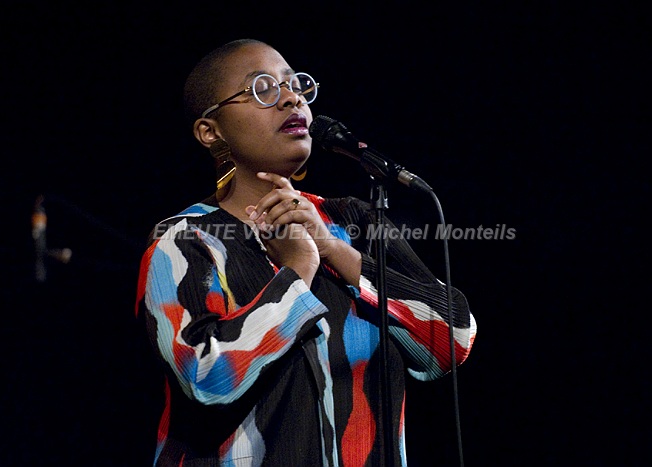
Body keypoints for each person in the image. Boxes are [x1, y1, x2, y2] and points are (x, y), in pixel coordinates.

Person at [134, 38, 477, 466]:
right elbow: (206, 378)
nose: (291, 98)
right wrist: (298, 269)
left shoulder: (355, 221)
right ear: (211, 131)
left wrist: (333, 249)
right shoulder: (187, 240)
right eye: (262, 89)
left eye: (295, 85)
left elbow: (451, 338)